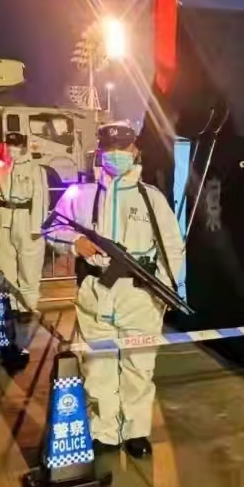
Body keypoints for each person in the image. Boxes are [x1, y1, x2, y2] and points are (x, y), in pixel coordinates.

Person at [46, 121, 185, 459]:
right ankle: (105, 432)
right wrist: (75, 242)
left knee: (139, 369)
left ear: (135, 150)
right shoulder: (80, 194)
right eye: (110, 148)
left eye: (123, 148)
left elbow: (171, 247)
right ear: (100, 151)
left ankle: (136, 431)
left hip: (140, 295)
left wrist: (165, 290)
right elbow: (52, 228)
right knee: (98, 368)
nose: (117, 154)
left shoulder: (152, 198)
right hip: (95, 292)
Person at [0, 132, 48, 321]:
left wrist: (37, 228)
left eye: (17, 145)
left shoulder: (35, 168)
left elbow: (41, 198)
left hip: (26, 216)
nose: (13, 149)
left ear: (24, 147)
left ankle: (27, 306)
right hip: (2, 215)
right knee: (5, 265)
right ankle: (12, 305)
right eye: (9, 145)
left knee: (29, 266)